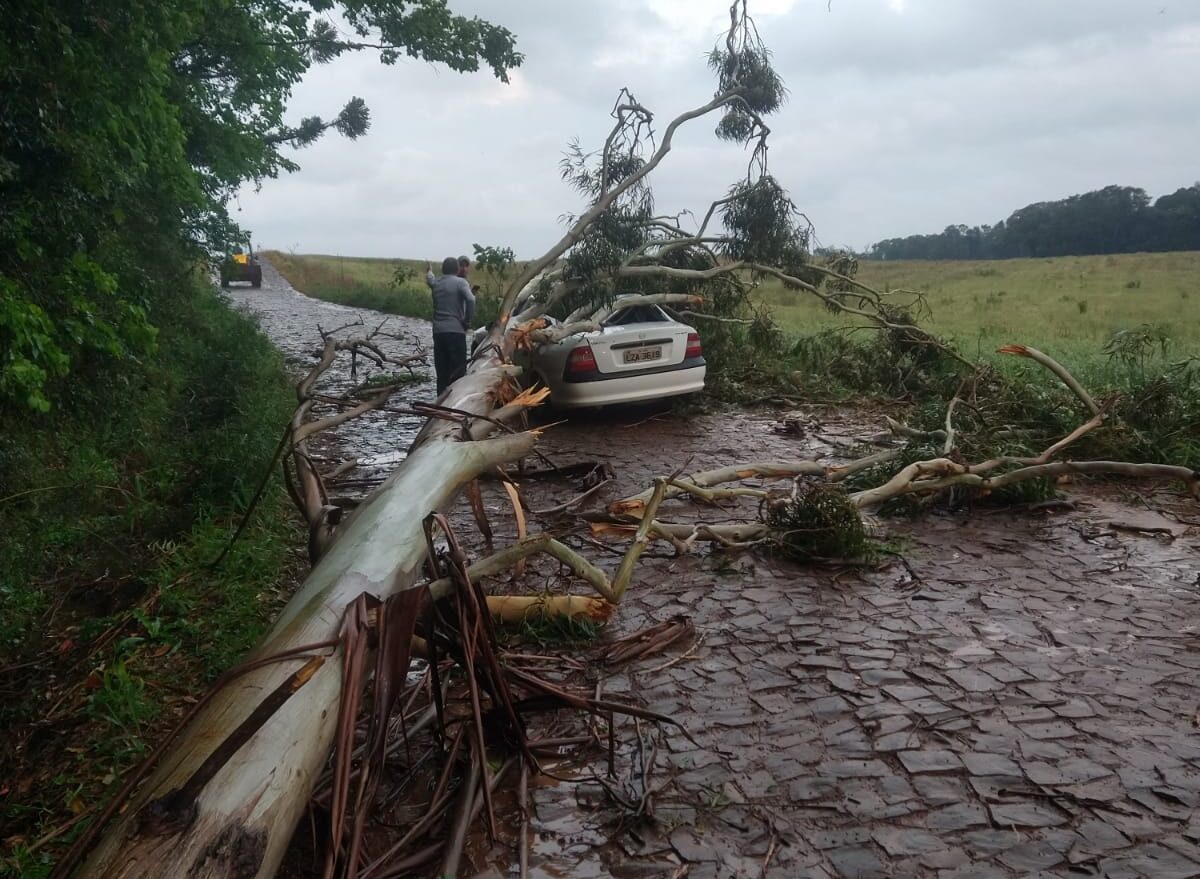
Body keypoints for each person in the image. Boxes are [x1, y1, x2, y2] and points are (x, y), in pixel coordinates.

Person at [425, 256, 476, 394]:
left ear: (443, 269)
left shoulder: (436, 283)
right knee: (458, 372)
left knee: (442, 373)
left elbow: (430, 278)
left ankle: (439, 406)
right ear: (457, 269)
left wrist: (429, 270)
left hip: (438, 333)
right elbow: (471, 299)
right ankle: (456, 404)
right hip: (456, 332)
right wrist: (467, 321)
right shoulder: (461, 282)